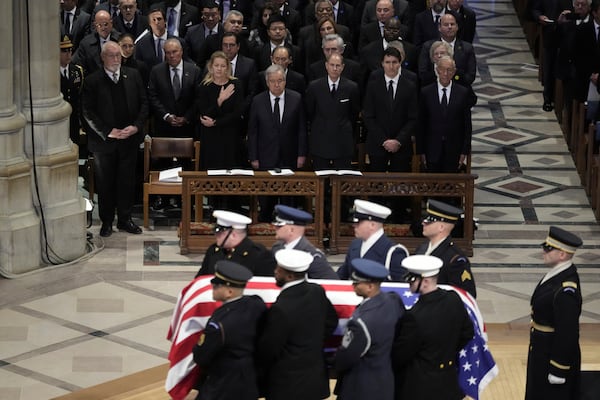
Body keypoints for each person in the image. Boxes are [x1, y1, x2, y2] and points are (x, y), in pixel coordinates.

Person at [81, 41, 148, 237]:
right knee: (105, 183)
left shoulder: (133, 75)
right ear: (103, 58)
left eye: (118, 55)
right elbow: (87, 111)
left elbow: (144, 103)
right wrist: (107, 131)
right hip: (105, 142)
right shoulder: (93, 80)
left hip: (129, 139)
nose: (116, 59)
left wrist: (136, 126)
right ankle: (107, 221)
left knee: (126, 181)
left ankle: (125, 219)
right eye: (112, 55)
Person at [257, 249, 339, 400]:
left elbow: (270, 349)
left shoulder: (280, 309)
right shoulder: (317, 291)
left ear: (289, 276)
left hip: (288, 385)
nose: (275, 272)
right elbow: (331, 322)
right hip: (315, 380)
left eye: (278, 270)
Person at [392, 254, 474, 400]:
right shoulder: (453, 299)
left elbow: (400, 356)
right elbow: (467, 333)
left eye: (412, 280)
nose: (409, 284)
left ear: (425, 282)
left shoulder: (414, 317)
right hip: (448, 382)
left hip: (420, 388)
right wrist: (446, 351)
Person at [192, 260, 267, 400]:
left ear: (229, 292)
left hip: (223, 384)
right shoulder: (256, 304)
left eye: (216, 285)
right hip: (248, 380)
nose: (212, 287)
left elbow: (201, 356)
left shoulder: (219, 323)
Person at [525, 226, 583, 400]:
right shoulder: (557, 275)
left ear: (562, 255)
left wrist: (559, 368)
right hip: (542, 352)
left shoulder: (566, 290)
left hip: (552, 357)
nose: (544, 251)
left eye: (549, 248)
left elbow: (568, 333)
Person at [334, 258, 405, 400]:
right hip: (384, 383)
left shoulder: (361, 322)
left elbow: (346, 357)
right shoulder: (393, 301)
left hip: (360, 388)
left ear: (370, 286)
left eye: (357, 283)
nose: (353, 285)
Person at [363, 46, 417, 173]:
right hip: (377, 144)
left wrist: (398, 141)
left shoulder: (410, 86)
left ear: (400, 63)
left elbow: (413, 118)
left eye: (394, 62)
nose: (391, 66)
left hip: (401, 146)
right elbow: (368, 116)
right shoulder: (373, 85)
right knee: (376, 186)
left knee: (399, 188)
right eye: (387, 62)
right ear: (382, 64)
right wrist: (384, 141)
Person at [417, 55, 472, 173]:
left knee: (450, 187)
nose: (445, 73)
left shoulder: (462, 93)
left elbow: (467, 125)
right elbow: (421, 124)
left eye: (449, 70)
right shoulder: (426, 92)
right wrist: (421, 151)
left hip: (454, 150)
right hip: (431, 150)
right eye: (442, 69)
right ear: (437, 70)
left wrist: (464, 152)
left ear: (454, 72)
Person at [305, 52, 360, 170]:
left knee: (343, 181)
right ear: (326, 65)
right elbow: (310, 112)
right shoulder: (314, 87)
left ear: (343, 67)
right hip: (320, 141)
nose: (335, 68)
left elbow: (353, 114)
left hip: (342, 142)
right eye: (332, 65)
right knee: (321, 180)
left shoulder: (352, 87)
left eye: (338, 65)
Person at [414, 199, 476, 297]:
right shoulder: (422, 248)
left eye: (428, 221)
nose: (423, 223)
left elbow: (466, 296)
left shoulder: (455, 259)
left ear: (441, 227)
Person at [336, 199, 408, 281]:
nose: (354, 226)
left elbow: (400, 287)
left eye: (358, 223)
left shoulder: (393, 252)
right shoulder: (355, 245)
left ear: (372, 225)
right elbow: (341, 275)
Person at [196, 51, 245, 169]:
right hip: (210, 137)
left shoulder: (235, 84)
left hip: (230, 135)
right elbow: (204, 115)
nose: (219, 69)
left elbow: (237, 113)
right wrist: (220, 100)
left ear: (227, 68)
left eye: (223, 66)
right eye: (216, 65)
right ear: (211, 67)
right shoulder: (204, 86)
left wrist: (216, 122)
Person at [195, 210, 277, 277]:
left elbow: (266, 286)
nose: (216, 235)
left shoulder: (258, 255)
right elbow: (201, 279)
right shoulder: (213, 251)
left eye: (220, 233)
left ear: (233, 235)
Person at [148, 38, 201, 138]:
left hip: (188, 128)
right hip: (163, 127)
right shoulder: (156, 71)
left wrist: (186, 117)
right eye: (168, 53)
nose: (171, 56)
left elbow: (198, 98)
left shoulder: (194, 71)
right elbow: (152, 97)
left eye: (174, 52)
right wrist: (166, 116)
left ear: (181, 51)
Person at [271, 205, 338, 279]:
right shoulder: (277, 248)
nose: (274, 228)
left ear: (291, 230)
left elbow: (331, 283)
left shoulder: (313, 256)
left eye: (279, 226)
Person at [531, 0, 574, 111]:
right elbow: (535, 9)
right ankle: (548, 98)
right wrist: (539, 17)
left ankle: (565, 102)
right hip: (551, 32)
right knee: (549, 67)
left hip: (570, 34)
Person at [72, 9, 121, 75]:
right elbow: (78, 65)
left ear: (111, 23)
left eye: (106, 24)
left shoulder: (120, 40)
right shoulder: (86, 44)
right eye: (100, 25)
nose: (103, 28)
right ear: (95, 26)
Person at [59, 35, 85, 154]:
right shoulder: (51, 74)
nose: (68, 54)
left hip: (73, 123)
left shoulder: (77, 71)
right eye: (64, 51)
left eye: (70, 50)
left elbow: (79, 98)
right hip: (59, 122)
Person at [184, 1, 223, 65]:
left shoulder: (225, 31)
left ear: (219, 14)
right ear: (202, 14)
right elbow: (186, 55)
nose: (210, 18)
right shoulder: (191, 32)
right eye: (207, 15)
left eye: (213, 15)